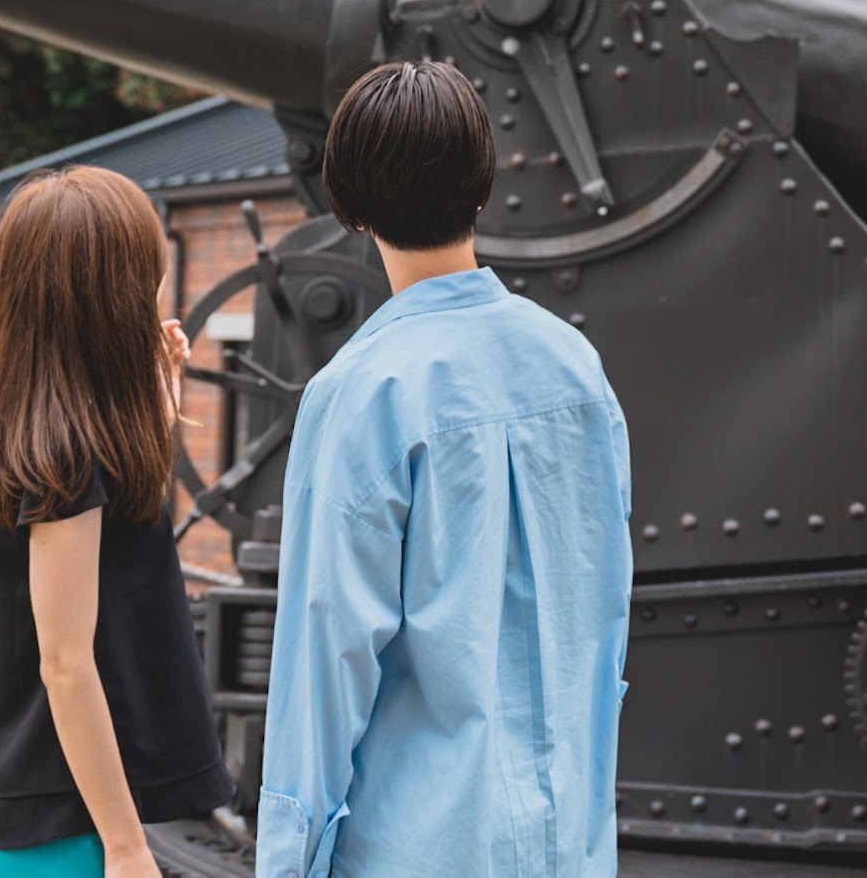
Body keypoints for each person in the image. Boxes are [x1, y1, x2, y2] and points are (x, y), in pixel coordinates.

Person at [257, 60, 633, 878]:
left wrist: (287, 862)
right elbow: (601, 628)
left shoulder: (358, 392)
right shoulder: (576, 368)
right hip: (566, 846)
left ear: (346, 205)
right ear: (481, 184)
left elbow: (324, 665)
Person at [0, 165, 234, 878]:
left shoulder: (24, 424)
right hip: (60, 833)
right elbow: (67, 665)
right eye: (147, 273)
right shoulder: (67, 460)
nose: (156, 289)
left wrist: (156, 404)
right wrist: (127, 845)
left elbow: (113, 544)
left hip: (20, 804)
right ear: (108, 299)